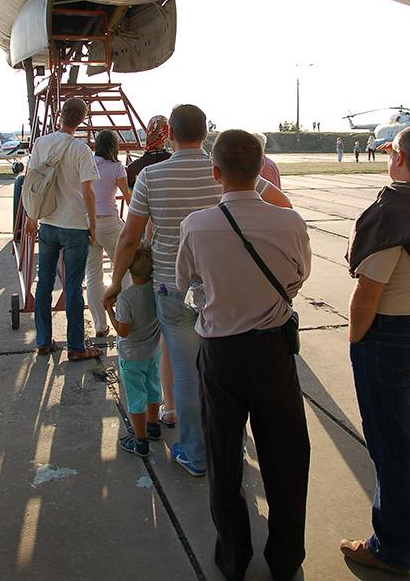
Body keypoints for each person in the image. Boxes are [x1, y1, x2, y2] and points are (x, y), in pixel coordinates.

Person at [103, 104, 293, 479]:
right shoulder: (223, 170)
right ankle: (230, 447)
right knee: (224, 371)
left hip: (172, 288)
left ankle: (193, 452)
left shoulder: (152, 176)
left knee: (187, 372)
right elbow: (282, 206)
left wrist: (115, 281)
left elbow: (129, 237)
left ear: (170, 133)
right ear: (205, 133)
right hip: (221, 286)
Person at [176, 129, 311, 581]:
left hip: (220, 353)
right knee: (287, 459)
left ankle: (233, 558)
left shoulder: (196, 224)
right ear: (261, 172)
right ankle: (286, 558)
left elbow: (184, 282)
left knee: (224, 459)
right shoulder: (290, 222)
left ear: (215, 173)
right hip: (272, 351)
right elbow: (298, 279)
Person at [341, 127, 410, 576]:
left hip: (391, 337)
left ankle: (392, 548)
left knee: (392, 445)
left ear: (399, 158)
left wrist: (356, 340)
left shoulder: (395, 210)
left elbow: (369, 291)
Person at [24, 98, 102, 361]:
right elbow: (89, 192)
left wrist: (31, 216)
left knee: (44, 282)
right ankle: (76, 347)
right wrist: (93, 224)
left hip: (47, 222)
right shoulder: (81, 149)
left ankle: (44, 340)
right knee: (72, 286)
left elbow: (32, 183)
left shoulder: (41, 143)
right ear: (82, 119)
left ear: (59, 115)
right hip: (74, 226)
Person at [126, 115, 175, 426]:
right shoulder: (176, 162)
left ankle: (159, 402)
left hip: (151, 247)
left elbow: (133, 220)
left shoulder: (136, 169)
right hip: (183, 253)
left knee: (153, 319)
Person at [106, 241, 161, 458]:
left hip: (131, 356)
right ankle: (153, 426)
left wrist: (108, 308)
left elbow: (123, 331)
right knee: (153, 388)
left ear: (129, 267)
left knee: (136, 397)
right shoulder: (155, 290)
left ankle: (140, 440)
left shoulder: (127, 298)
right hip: (152, 351)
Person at [85, 130, 131, 338]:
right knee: (123, 272)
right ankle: (124, 317)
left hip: (87, 223)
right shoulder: (116, 167)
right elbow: (129, 197)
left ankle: (100, 325)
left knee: (93, 275)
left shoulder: (86, 164)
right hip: (110, 223)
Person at [126, 115, 171, 191]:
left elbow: (131, 200)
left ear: (148, 132)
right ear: (167, 135)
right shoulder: (176, 162)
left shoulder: (133, 168)